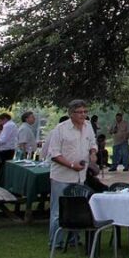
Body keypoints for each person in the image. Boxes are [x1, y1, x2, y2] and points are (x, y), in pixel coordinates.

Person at [43, 100, 97, 249]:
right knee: (58, 210)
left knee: (78, 208)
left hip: (80, 176)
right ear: (71, 113)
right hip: (62, 176)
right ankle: (55, 242)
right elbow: (54, 154)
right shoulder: (60, 129)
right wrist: (72, 165)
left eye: (85, 112)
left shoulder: (88, 127)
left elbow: (93, 143)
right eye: (80, 112)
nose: (83, 115)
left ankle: (74, 239)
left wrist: (93, 153)